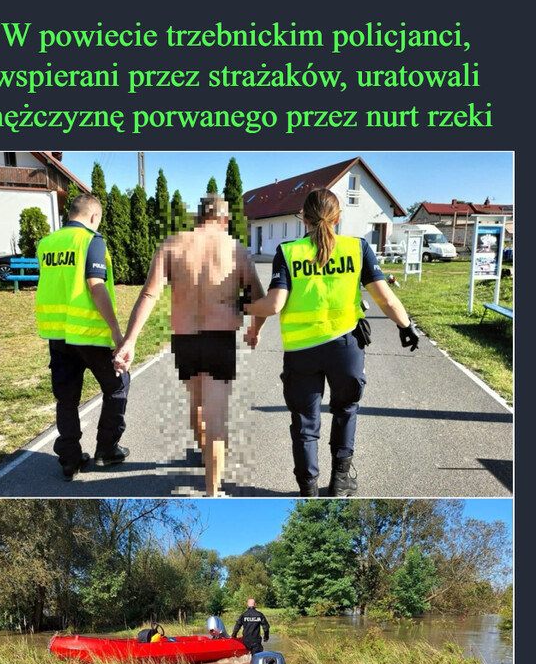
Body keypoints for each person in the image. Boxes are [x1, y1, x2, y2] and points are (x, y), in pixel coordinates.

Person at [243, 188, 420, 497]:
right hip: (346, 349)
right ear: (338, 218)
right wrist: (406, 326)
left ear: (303, 219)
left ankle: (308, 490)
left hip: (302, 352)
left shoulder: (289, 252)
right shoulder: (358, 248)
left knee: (304, 423)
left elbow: (273, 305)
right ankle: (340, 482)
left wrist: (243, 308)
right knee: (346, 409)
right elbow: (386, 300)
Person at [113, 194, 264, 497]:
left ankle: (200, 449)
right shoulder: (235, 249)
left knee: (196, 400)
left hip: (185, 339)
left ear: (198, 218)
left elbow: (149, 294)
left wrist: (129, 341)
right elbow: (258, 299)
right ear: (224, 220)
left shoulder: (171, 245)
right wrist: (255, 331)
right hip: (220, 339)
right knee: (216, 416)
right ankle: (213, 491)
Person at [35, 193, 130, 480]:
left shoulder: (46, 244)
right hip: (89, 334)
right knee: (117, 385)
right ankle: (106, 450)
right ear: (93, 217)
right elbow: (95, 285)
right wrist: (116, 331)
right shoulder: (92, 240)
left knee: (66, 398)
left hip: (58, 334)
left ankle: (70, 459)